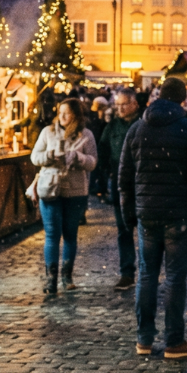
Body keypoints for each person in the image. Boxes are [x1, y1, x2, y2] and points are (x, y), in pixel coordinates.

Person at [119, 76, 187, 359]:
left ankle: (144, 339)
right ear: (183, 98)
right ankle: (174, 340)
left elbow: (124, 177)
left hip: (147, 214)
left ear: (159, 95)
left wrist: (129, 215)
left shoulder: (138, 128)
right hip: (178, 214)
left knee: (147, 275)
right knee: (175, 278)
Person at [32, 98, 98, 294]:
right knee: (52, 234)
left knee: (70, 234)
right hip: (51, 189)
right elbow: (35, 157)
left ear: (75, 115)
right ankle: (50, 279)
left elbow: (93, 162)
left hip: (75, 191)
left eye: (66, 113)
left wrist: (77, 157)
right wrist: (49, 156)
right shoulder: (48, 132)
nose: (61, 116)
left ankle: (67, 276)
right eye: (59, 112)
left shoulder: (86, 135)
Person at [98, 88, 142, 290]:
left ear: (135, 104)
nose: (121, 108)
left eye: (125, 104)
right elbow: (103, 150)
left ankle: (147, 272)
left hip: (141, 183)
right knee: (124, 230)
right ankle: (127, 272)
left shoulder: (143, 124)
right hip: (119, 184)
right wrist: (107, 172)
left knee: (145, 231)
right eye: (118, 105)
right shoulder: (112, 126)